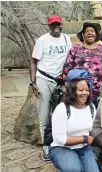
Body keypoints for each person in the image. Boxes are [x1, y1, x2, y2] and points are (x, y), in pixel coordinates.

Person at [29, 14, 72, 161]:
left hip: (60, 80)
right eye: (53, 25)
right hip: (44, 78)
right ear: (49, 26)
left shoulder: (67, 39)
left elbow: (70, 59)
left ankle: (61, 141)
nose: (56, 27)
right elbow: (33, 61)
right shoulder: (42, 40)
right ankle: (46, 145)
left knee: (62, 112)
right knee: (45, 113)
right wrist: (33, 82)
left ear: (61, 25)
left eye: (58, 24)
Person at [49, 78, 99, 172]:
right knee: (74, 169)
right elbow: (59, 139)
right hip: (62, 148)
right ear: (72, 91)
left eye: (87, 90)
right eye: (80, 90)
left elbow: (92, 127)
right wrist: (85, 139)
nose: (85, 93)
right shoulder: (62, 109)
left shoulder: (91, 107)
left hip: (84, 148)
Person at [63, 22, 102, 107]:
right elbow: (67, 68)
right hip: (79, 91)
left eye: (92, 31)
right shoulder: (75, 48)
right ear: (83, 35)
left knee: (97, 117)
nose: (89, 33)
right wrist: (79, 77)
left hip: (98, 91)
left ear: (96, 34)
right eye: (86, 31)